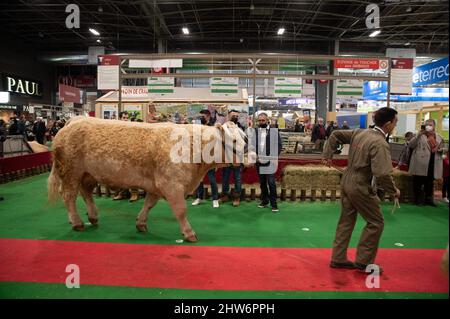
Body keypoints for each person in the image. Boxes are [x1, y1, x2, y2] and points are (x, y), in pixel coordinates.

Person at [322, 107, 400, 273]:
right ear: (388, 124)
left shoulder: (360, 133)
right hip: (360, 184)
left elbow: (335, 135)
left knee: (346, 221)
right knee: (376, 222)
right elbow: (383, 173)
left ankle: (338, 258)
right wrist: (393, 190)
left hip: (347, 180)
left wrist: (328, 155)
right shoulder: (379, 143)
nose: (395, 125)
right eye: (395, 122)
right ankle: (364, 262)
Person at [408, 119, 445, 207]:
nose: (429, 126)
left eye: (430, 125)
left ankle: (429, 199)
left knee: (430, 182)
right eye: (427, 124)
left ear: (434, 126)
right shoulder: (420, 135)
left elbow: (444, 149)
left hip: (434, 162)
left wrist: (440, 150)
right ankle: (417, 199)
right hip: (421, 162)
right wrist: (419, 134)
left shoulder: (439, 137)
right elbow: (411, 145)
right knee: (418, 181)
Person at [254, 113, 282, 212]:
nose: (261, 122)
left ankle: (274, 204)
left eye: (263, 120)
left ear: (267, 121)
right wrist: (254, 154)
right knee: (262, 183)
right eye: (260, 120)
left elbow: (278, 146)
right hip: (258, 161)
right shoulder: (255, 131)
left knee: (271, 182)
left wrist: (274, 157)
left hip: (270, 161)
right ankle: (264, 201)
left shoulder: (274, 131)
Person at [192, 109, 220, 208]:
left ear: (208, 116)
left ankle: (215, 199)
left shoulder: (214, 127)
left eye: (202, 116)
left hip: (210, 157)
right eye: (200, 116)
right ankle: (199, 197)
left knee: (212, 179)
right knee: (199, 179)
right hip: (199, 156)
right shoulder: (198, 127)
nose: (201, 118)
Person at [113, 111, 139, 202]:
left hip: (131, 154)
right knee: (121, 174)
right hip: (120, 154)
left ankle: (134, 193)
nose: (126, 119)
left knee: (133, 173)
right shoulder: (116, 129)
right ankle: (123, 193)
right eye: (124, 117)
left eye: (127, 118)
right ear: (120, 118)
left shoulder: (132, 128)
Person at [220, 110, 244, 206]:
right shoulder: (223, 127)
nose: (235, 117)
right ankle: (225, 195)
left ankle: (237, 197)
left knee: (237, 179)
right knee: (225, 178)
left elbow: (244, 142)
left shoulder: (241, 128)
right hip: (226, 157)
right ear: (228, 116)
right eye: (233, 115)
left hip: (237, 157)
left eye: (237, 116)